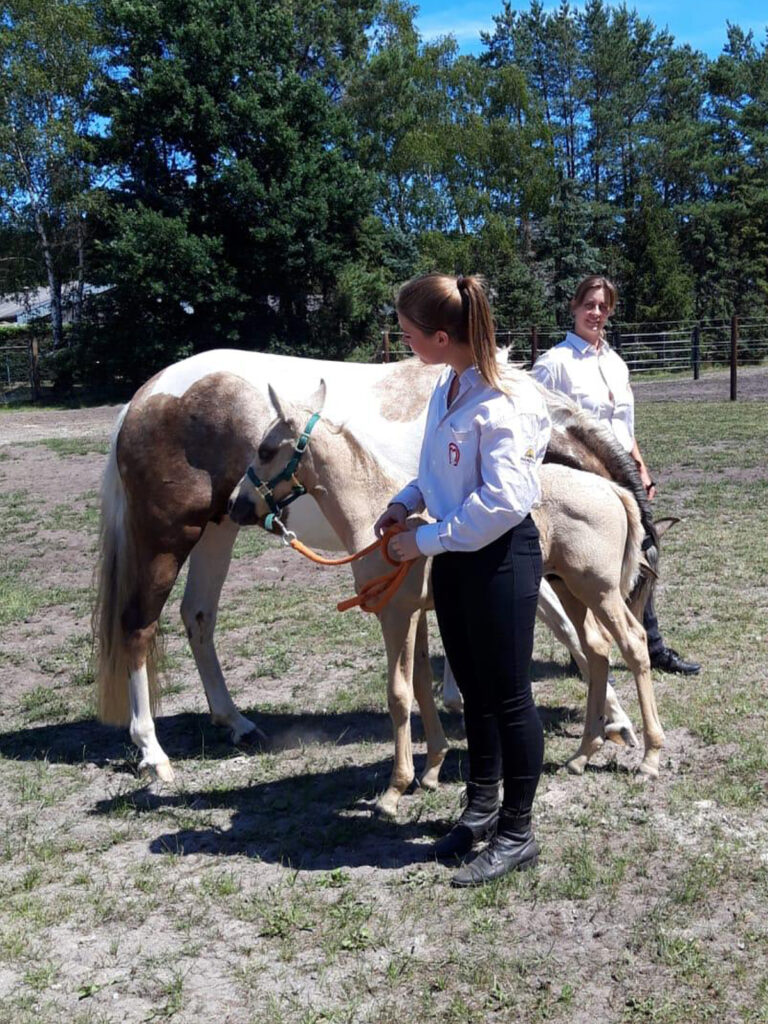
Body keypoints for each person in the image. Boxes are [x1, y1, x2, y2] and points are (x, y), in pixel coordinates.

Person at [373, 272, 551, 886]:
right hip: (455, 556)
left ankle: (518, 830)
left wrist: (419, 540)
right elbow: (434, 473)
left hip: (500, 559)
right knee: (471, 690)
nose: (405, 345)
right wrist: (405, 502)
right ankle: (481, 807)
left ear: (442, 335)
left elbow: (503, 502)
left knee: (509, 696)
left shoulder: (509, 401)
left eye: (409, 335)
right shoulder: (448, 387)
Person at [530, 274, 700, 675]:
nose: (596, 312)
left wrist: (640, 466)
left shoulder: (616, 362)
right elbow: (538, 427)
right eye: (589, 304)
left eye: (603, 306)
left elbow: (624, 425)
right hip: (580, 480)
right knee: (583, 565)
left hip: (622, 473)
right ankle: (586, 647)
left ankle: (650, 644)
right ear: (574, 307)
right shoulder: (554, 364)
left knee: (642, 554)